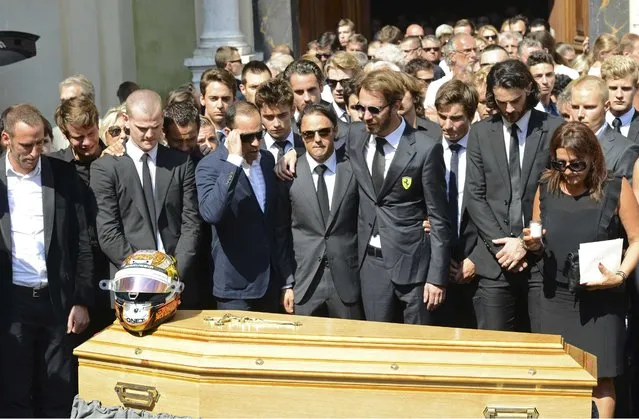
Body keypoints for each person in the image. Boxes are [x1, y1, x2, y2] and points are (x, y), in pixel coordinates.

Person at [527, 121, 639, 419]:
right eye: (560, 163)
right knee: (555, 376)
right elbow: (537, 235)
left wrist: (620, 276)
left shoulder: (615, 186)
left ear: (593, 158)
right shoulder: (546, 186)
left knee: (601, 378)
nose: (568, 171)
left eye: (577, 164)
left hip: (601, 298)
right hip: (554, 296)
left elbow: (637, 238)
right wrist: (532, 242)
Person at [0, 104, 93, 417]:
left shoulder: (63, 175)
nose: (35, 152)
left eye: (40, 143)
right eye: (26, 145)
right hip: (12, 303)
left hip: (58, 303)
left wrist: (81, 300)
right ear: (6, 139)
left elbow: (81, 241)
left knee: (58, 391)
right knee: (14, 393)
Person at [465, 59, 563, 332]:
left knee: (543, 344)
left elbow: (556, 192)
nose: (509, 109)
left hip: (540, 258)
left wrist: (523, 241)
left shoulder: (553, 128)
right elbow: (475, 195)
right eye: (501, 102)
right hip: (495, 260)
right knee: (496, 349)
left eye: (515, 101)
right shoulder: (481, 133)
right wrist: (503, 248)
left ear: (528, 90)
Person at [90, 90, 201, 303]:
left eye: (156, 127)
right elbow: (108, 232)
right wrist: (145, 274)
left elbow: (191, 224)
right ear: (126, 120)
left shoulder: (180, 163)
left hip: (179, 283)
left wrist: (172, 273)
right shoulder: (106, 168)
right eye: (142, 128)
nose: (149, 135)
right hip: (131, 285)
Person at [275, 104, 363, 319]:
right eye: (308, 134)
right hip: (304, 282)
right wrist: (286, 283)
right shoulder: (288, 173)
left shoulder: (354, 170)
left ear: (334, 131)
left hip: (348, 281)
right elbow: (280, 233)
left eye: (323, 132)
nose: (317, 139)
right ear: (301, 135)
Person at [195, 102, 280, 312]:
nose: (254, 143)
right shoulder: (210, 166)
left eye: (259, 135)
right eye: (246, 137)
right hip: (235, 289)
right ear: (228, 134)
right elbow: (212, 213)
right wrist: (233, 161)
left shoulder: (267, 161)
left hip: (271, 284)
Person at [434, 79, 480, 328]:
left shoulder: (484, 148)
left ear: (472, 116)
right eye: (442, 117)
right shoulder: (426, 146)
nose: (447, 126)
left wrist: (477, 260)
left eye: (456, 118)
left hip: (476, 263)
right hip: (435, 266)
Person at [570, 76, 639, 181]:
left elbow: (627, 195)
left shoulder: (625, 151)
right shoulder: (562, 142)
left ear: (606, 106)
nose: (580, 114)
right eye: (575, 107)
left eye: (589, 107)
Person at [254, 78, 305, 161]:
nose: (276, 124)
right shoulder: (253, 149)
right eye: (269, 117)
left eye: (282, 115)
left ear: (292, 110)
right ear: (259, 115)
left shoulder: (305, 144)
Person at [600, 55, 639, 143]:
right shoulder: (594, 124)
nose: (619, 95)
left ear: (636, 88)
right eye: (613, 88)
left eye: (626, 89)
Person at [200, 67, 236, 144]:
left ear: (234, 101)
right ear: (202, 99)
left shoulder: (242, 135)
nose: (220, 105)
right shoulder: (193, 136)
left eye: (225, 99)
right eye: (213, 98)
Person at [324, 51, 361, 123]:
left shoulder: (367, 114)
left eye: (344, 82)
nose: (338, 88)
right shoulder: (323, 117)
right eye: (332, 82)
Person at [528, 51, 559, 116]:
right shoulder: (526, 112)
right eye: (538, 76)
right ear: (529, 79)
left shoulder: (560, 109)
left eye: (549, 75)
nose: (545, 81)